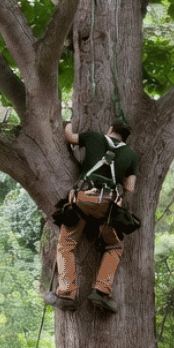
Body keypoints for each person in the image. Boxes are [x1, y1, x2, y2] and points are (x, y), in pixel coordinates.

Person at [45, 120, 139, 313]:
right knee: (114, 245)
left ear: (110, 129)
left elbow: (70, 137)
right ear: (126, 138)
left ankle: (66, 294)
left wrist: (69, 124)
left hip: (82, 200)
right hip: (107, 207)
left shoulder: (94, 136)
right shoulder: (131, 155)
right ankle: (101, 291)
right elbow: (130, 187)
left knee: (66, 245)